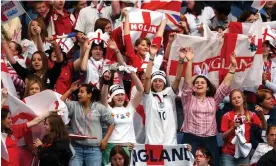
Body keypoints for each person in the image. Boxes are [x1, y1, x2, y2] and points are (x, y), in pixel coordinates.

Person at [181, 49, 237, 166]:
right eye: (197, 82)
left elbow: (224, 86)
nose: (199, 84)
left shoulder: (213, 100)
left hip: (210, 139)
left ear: (207, 87)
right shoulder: (188, 99)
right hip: (191, 137)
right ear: (194, 87)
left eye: (202, 82)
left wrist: (232, 68)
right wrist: (189, 61)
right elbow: (187, 83)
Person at [61, 81, 115, 166]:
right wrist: (70, 90)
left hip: (94, 150)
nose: (79, 94)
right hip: (76, 148)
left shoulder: (99, 107)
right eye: (78, 92)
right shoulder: (74, 105)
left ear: (89, 95)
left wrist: (105, 139)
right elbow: (60, 102)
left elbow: (112, 123)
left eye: (82, 92)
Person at [1, 88, 57, 166]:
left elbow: (35, 121)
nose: (11, 120)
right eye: (8, 118)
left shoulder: (14, 129)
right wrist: (4, 99)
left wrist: (49, 112)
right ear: (1, 120)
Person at [101, 63, 144, 165]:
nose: (120, 97)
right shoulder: (108, 108)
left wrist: (132, 73)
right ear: (112, 97)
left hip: (128, 146)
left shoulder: (130, 108)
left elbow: (141, 90)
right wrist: (106, 82)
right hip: (111, 145)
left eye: (122, 94)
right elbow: (103, 96)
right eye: (117, 95)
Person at [142, 44, 186, 145]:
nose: (157, 83)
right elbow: (147, 77)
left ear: (164, 83)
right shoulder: (148, 96)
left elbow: (178, 78)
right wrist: (151, 57)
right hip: (153, 140)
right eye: (155, 81)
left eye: (160, 81)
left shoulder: (170, 93)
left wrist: (181, 60)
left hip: (169, 140)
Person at [220, 89, 267, 166]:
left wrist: (261, 115)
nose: (236, 100)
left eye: (238, 97)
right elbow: (223, 137)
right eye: (234, 98)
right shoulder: (226, 116)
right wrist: (232, 128)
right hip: (228, 154)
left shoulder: (251, 114)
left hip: (244, 154)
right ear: (231, 101)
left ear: (243, 99)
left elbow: (264, 127)